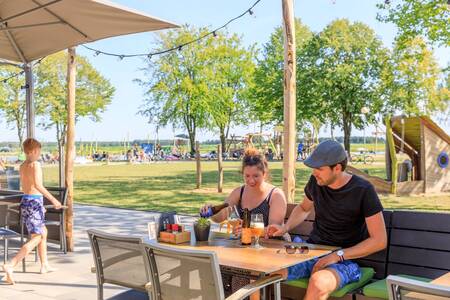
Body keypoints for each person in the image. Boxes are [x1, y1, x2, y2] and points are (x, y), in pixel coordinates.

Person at [268, 140, 387, 300]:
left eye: (319, 169)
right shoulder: (316, 183)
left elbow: (379, 240)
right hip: (312, 253)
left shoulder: (363, 190)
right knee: (268, 272)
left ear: (337, 168)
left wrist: (338, 255)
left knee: (318, 282)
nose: (314, 173)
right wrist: (285, 227)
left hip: (346, 261)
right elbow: (304, 208)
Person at [200, 147, 287, 299]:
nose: (251, 180)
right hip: (246, 248)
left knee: (240, 277)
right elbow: (221, 216)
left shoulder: (276, 195)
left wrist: (249, 231)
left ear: (264, 174)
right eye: (247, 176)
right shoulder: (239, 192)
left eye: (256, 176)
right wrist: (211, 212)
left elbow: (274, 230)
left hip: (271, 248)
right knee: (215, 270)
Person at [2, 138, 62, 285]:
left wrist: (39, 203)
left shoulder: (22, 165)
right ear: (34, 151)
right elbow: (38, 185)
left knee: (43, 232)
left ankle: (44, 265)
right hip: (34, 202)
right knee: (37, 237)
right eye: (39, 151)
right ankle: (11, 265)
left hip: (28, 201)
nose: (39, 154)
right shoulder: (36, 165)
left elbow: (28, 188)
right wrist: (53, 200)